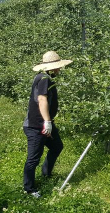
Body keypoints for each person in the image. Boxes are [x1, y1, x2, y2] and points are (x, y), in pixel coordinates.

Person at [23, 51, 73, 198]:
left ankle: (46, 174)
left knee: (57, 146)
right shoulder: (44, 78)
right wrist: (47, 122)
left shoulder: (44, 77)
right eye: (58, 67)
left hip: (43, 123)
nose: (59, 69)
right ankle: (29, 189)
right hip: (36, 126)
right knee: (33, 158)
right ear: (52, 67)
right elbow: (42, 100)